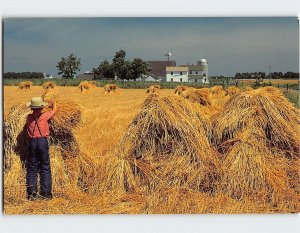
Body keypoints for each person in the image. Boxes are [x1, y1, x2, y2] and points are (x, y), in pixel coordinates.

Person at [25, 96, 57, 200]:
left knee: (32, 168)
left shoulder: (29, 117)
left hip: (32, 143)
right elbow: (54, 111)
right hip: (42, 142)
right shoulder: (45, 116)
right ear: (41, 107)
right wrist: (54, 103)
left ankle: (32, 195)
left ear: (32, 108)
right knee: (45, 167)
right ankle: (46, 194)